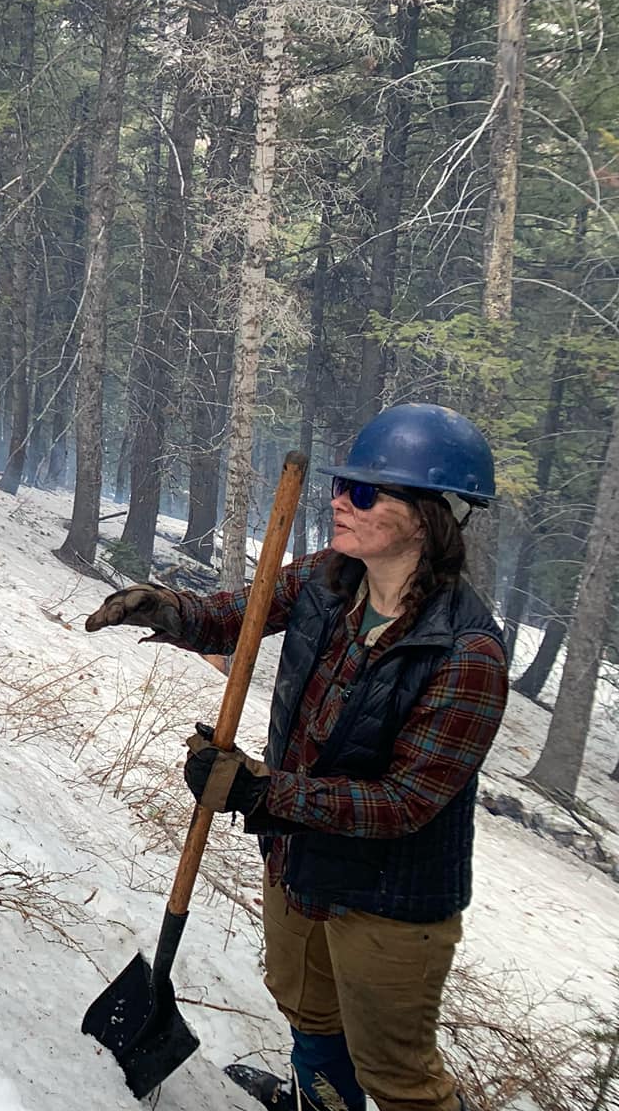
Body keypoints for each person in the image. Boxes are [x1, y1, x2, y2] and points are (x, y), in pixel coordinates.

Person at [85, 404, 506, 1111]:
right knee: (309, 1013)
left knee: (399, 1077)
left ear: (428, 517)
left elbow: (404, 803)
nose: (340, 499)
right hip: (300, 862)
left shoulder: (467, 654)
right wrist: (163, 608)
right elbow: (238, 615)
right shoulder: (327, 578)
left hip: (390, 903)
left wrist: (260, 794)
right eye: (342, 483)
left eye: (366, 492)